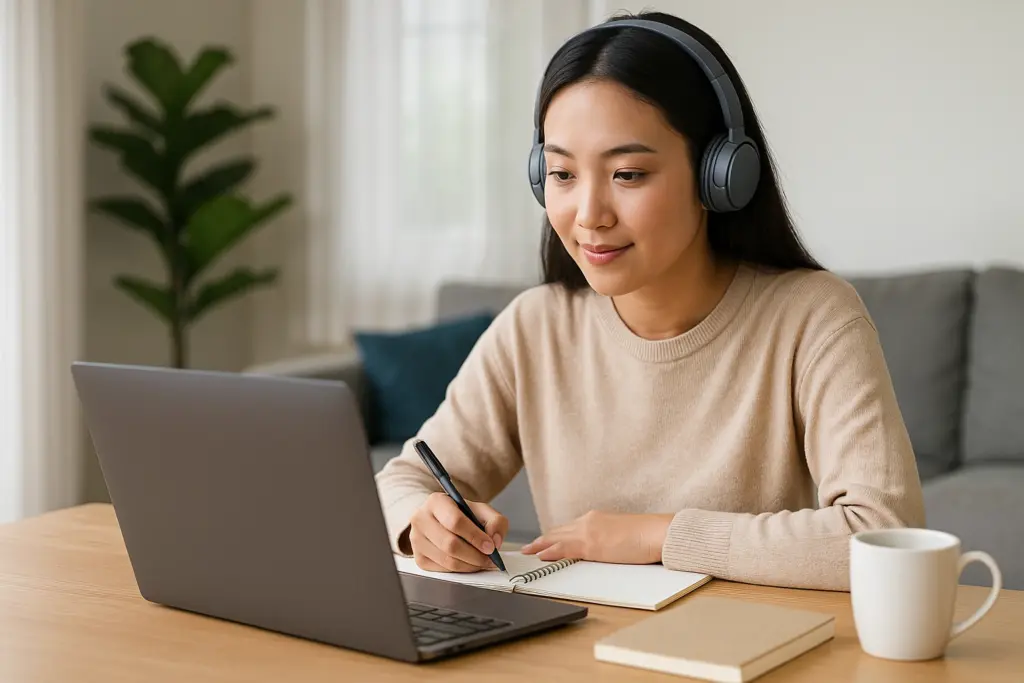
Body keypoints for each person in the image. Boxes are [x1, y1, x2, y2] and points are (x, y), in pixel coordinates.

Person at [373, 10, 924, 592]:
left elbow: (884, 535)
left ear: (721, 175)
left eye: (629, 174)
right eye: (561, 174)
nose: (589, 215)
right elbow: (403, 479)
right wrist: (420, 523)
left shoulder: (814, 318)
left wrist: (657, 537)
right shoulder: (536, 327)